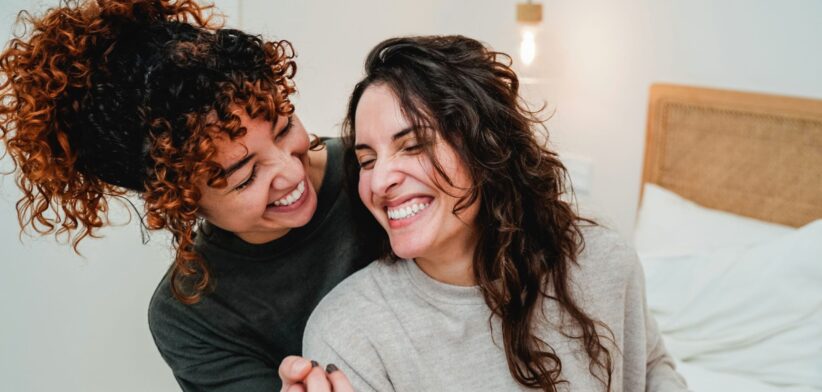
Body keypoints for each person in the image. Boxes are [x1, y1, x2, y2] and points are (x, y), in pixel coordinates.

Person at [0, 0, 370, 390]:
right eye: (245, 177)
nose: (292, 171)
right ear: (181, 200)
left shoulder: (375, 169)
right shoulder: (193, 315)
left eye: (283, 128)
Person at [301, 35, 690, 391]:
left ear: (484, 147)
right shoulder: (348, 334)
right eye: (367, 160)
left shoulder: (601, 260)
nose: (380, 179)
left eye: (413, 145)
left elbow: (652, 367)